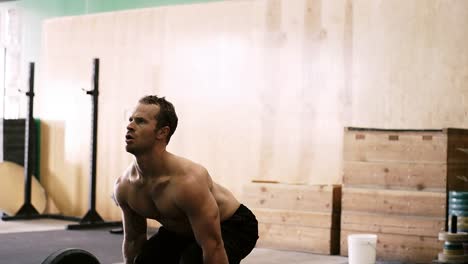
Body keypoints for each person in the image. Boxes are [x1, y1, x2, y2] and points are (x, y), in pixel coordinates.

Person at [113, 95, 259, 264]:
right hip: (182, 230)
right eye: (131, 119)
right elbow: (133, 240)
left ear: (162, 132)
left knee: (192, 260)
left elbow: (213, 246)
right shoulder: (125, 186)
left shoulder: (187, 182)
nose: (129, 126)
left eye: (140, 121)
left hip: (232, 225)